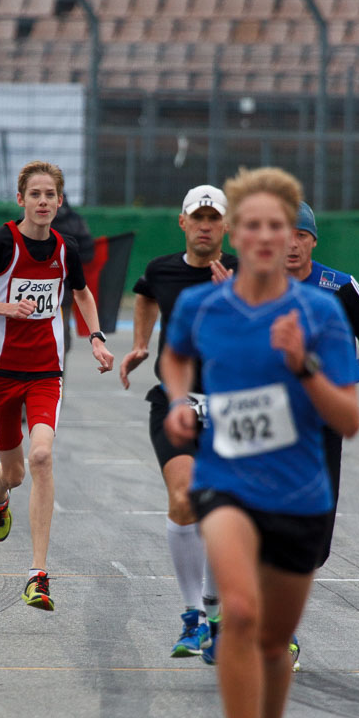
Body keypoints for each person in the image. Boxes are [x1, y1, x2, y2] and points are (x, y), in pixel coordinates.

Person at [161, 166, 359, 718]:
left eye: (281, 226)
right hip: (227, 483)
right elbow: (177, 364)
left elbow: (349, 418)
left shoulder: (322, 312)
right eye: (255, 225)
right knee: (240, 614)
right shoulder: (202, 307)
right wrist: (183, 406)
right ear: (236, 235)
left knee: (274, 643)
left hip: (300, 492)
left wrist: (307, 365)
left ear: (292, 238)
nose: (269, 236)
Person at [0, 160, 114, 611]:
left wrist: (96, 337)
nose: (43, 202)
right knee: (16, 471)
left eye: (50, 195)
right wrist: (5, 308)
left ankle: (37, 576)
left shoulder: (66, 248)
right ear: (21, 199)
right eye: (35, 194)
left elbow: (80, 292)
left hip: (45, 370)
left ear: (60, 202)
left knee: (41, 456)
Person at [120, 185, 238, 663]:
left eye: (214, 218)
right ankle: (192, 617)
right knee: (184, 496)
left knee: (221, 512)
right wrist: (142, 343)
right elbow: (147, 297)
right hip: (175, 402)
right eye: (198, 217)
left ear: (225, 227)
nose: (206, 225)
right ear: (183, 223)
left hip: (233, 407)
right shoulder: (162, 269)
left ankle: (214, 613)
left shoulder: (245, 273)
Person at [285, 202, 359, 665]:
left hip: (320, 427)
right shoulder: (251, 286)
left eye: (300, 235)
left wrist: (340, 377)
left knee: (315, 542)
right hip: (261, 426)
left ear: (313, 241)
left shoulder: (338, 286)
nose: (290, 243)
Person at [51, 192, 95, 360]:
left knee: (60, 335)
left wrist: (66, 260)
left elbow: (88, 252)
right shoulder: (31, 219)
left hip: (64, 287)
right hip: (36, 285)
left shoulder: (75, 222)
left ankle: (56, 376)